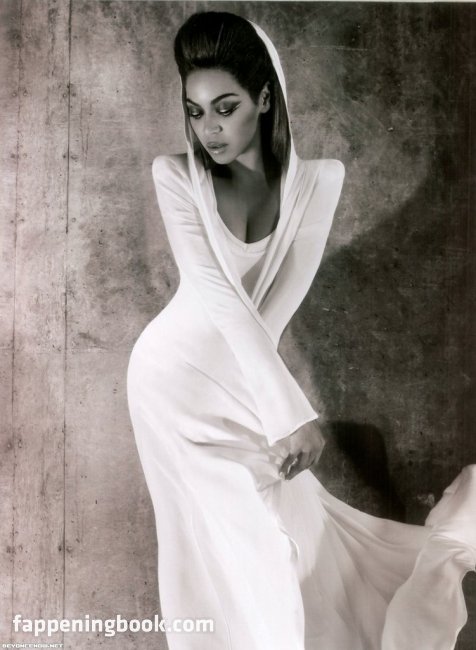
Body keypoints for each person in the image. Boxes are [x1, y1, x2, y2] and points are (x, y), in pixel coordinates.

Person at [126, 11, 476, 650]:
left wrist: (279, 412)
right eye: (195, 112)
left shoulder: (320, 182)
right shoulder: (173, 176)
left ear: (265, 98)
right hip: (171, 385)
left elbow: (273, 308)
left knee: (294, 543)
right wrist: (290, 412)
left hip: (245, 383)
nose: (209, 129)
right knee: (228, 552)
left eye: (226, 108)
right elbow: (221, 299)